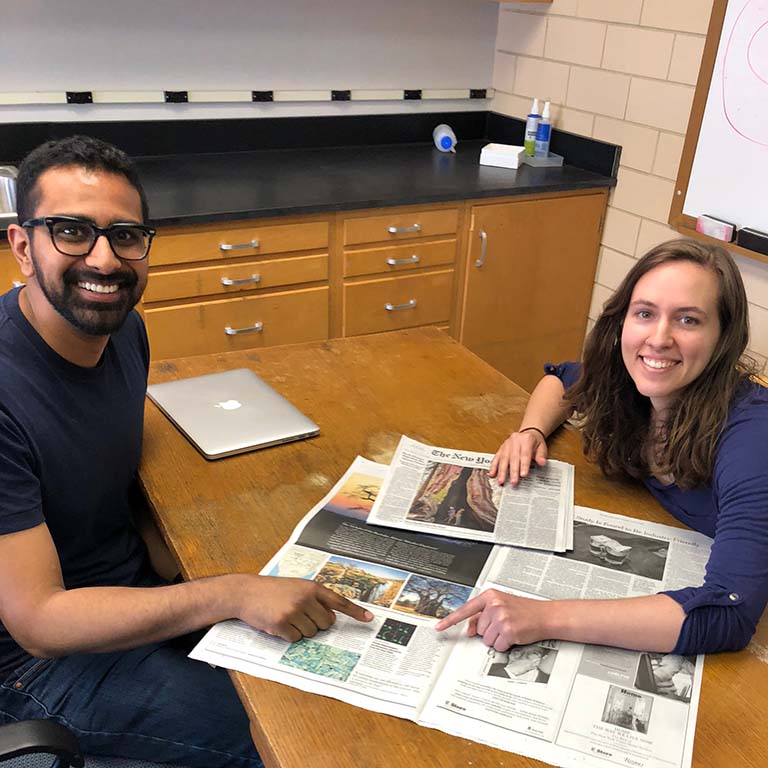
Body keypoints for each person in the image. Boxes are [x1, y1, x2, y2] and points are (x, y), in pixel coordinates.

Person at [0, 136, 373, 767]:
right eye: (71, 231)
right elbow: (39, 623)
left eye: (125, 235)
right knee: (288, 740)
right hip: (34, 667)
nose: (104, 258)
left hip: (128, 592)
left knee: (335, 679)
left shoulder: (124, 333)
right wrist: (228, 593)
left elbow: (96, 459)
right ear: (22, 248)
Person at [437, 239, 768, 656]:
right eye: (645, 313)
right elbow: (562, 379)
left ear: (723, 337)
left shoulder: (754, 435)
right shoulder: (633, 380)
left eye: (688, 320)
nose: (659, 338)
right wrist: (530, 433)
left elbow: (728, 615)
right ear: (623, 320)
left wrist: (545, 617)